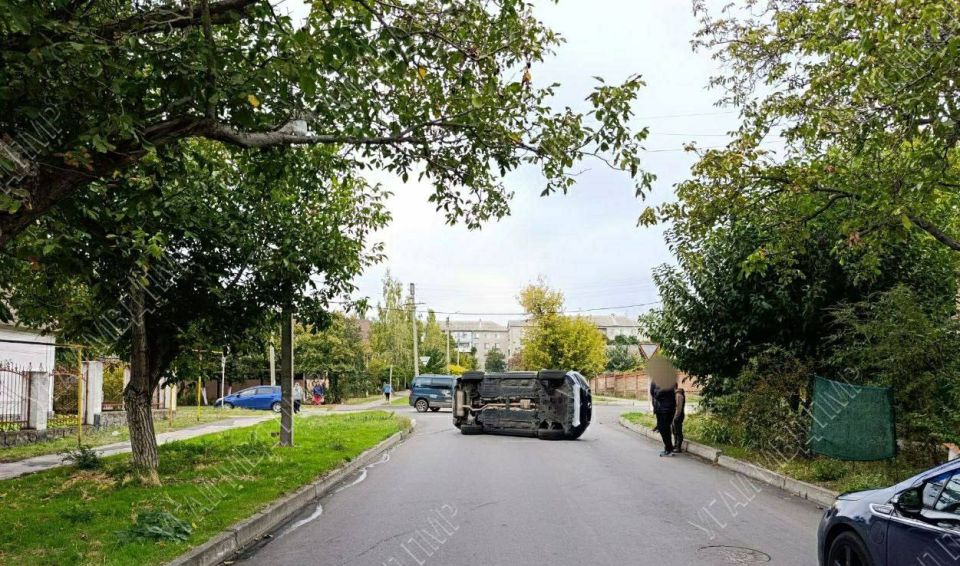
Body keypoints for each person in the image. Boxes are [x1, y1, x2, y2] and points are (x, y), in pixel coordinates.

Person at [651, 380, 677, 456]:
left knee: (663, 429)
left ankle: (668, 449)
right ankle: (669, 448)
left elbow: (655, 394)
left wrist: (656, 393)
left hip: (663, 409)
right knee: (665, 429)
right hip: (667, 408)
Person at [672, 387, 686, 453]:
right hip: (675, 415)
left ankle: (678, 447)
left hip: (678, 416)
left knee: (678, 431)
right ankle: (675, 445)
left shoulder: (678, 395)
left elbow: (679, 408)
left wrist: (675, 417)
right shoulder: (676, 394)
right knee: (674, 431)